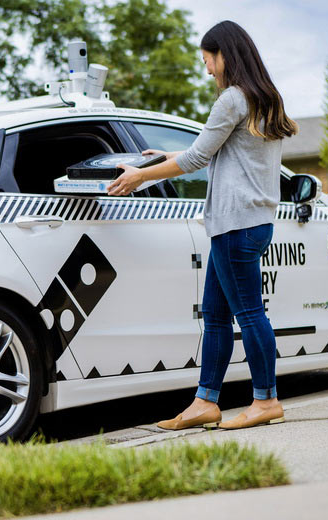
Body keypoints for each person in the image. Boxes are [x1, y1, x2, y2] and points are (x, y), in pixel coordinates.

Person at [107, 20, 298, 430]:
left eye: (208, 60)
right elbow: (216, 150)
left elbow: (197, 158)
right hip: (249, 223)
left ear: (225, 54)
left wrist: (140, 176)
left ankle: (266, 400)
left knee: (249, 313)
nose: (207, 69)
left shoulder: (232, 98)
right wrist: (163, 156)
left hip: (235, 225)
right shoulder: (264, 98)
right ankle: (205, 402)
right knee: (215, 313)